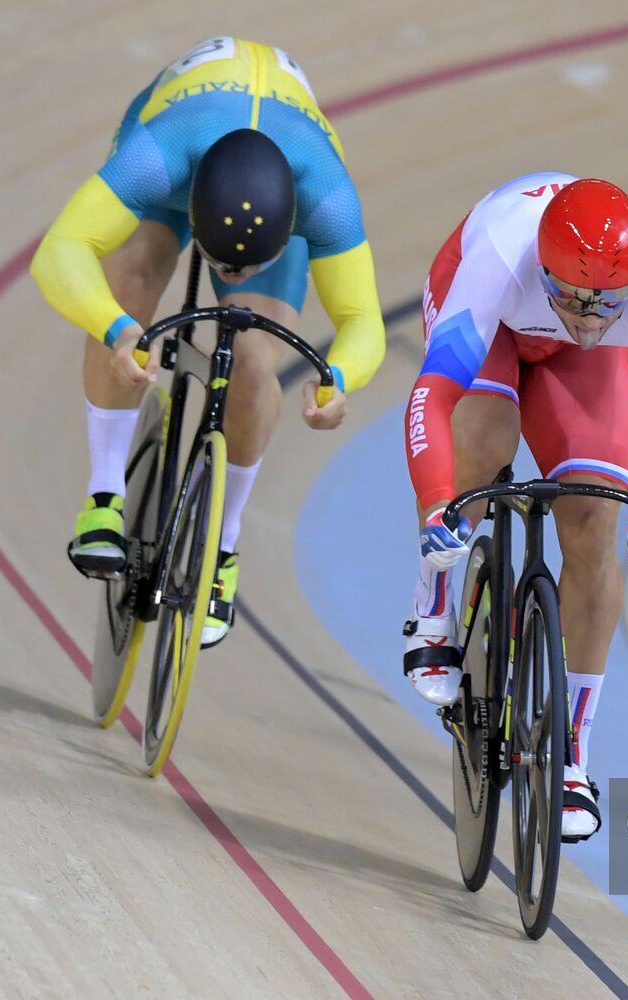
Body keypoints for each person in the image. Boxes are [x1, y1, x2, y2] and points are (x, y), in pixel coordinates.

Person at [402, 173, 628, 840]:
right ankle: (432, 606)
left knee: (592, 520)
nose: (587, 317)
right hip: (490, 315)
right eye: (575, 301)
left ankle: (572, 755)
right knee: (481, 445)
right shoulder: (499, 255)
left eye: (606, 304)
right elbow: (430, 397)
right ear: (546, 270)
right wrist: (438, 502)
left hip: (577, 360)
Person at [32, 37, 385, 647]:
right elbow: (59, 252)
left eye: (247, 268)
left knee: (254, 363)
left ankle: (222, 548)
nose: (230, 277)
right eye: (222, 263)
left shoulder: (325, 196)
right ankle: (104, 495)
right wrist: (117, 328)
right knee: (128, 284)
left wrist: (340, 380)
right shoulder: (157, 155)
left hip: (275, 169)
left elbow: (363, 321)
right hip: (181, 148)